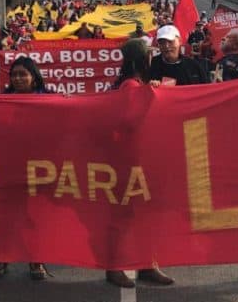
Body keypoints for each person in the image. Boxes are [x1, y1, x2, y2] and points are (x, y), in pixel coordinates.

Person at [102, 39, 174, 289]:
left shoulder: (138, 84)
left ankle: (146, 263)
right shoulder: (131, 86)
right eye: (149, 55)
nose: (152, 58)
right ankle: (114, 267)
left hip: (143, 160)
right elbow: (131, 121)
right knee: (124, 216)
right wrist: (151, 98)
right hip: (129, 163)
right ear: (141, 60)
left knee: (146, 215)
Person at [0, 56, 52, 282]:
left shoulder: (50, 99)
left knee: (35, 216)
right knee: (5, 215)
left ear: (34, 77)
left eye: (23, 74)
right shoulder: (1, 100)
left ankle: (37, 259)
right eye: (14, 74)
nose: (17, 78)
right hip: (8, 167)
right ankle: (1, 257)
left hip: (39, 168)